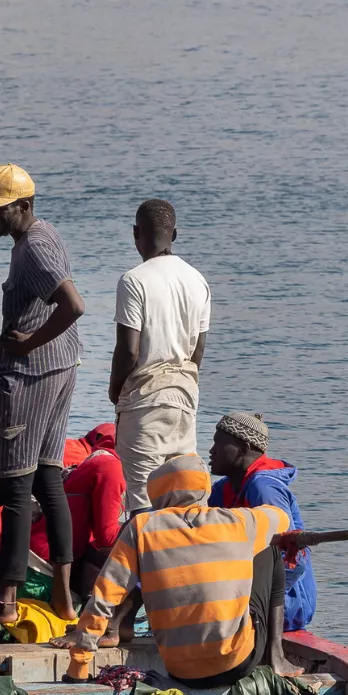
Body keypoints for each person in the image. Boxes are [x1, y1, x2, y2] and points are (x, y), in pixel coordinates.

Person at [60, 455, 291, 690]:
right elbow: (282, 518)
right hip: (237, 662)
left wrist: (79, 665)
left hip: (179, 669)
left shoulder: (142, 527)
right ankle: (276, 656)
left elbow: (104, 596)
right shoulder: (239, 521)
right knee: (269, 547)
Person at [0, 163, 86, 623]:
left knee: (16, 486)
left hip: (32, 375)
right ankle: (62, 593)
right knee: (48, 480)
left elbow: (73, 304)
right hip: (61, 366)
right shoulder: (43, 234)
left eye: (1, 210)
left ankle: (7, 598)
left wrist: (28, 342)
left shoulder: (35, 248)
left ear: (24, 206)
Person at [110, 198, 209, 510]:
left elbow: (129, 349)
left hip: (144, 405)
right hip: (185, 400)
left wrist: (116, 391)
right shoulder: (197, 280)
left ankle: (145, 557)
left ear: (135, 233)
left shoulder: (134, 280)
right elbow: (198, 350)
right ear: (174, 235)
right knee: (183, 498)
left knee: (141, 502)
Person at [208, 411, 316, 633]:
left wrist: (249, 602)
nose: (211, 451)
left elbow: (295, 561)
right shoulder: (224, 489)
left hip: (284, 605)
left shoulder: (263, 488)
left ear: (244, 449)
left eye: (218, 443)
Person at [30, 422, 126, 604]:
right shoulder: (111, 467)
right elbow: (106, 536)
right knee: (138, 549)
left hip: (40, 548)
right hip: (46, 563)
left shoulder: (96, 459)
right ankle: (115, 624)